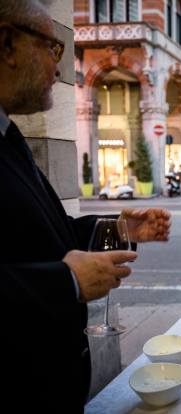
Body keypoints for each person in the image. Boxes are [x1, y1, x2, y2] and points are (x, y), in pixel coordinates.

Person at [0, 1, 172, 411]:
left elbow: (42, 234)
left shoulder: (9, 133)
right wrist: (66, 282)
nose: (59, 70)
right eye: (52, 48)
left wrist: (120, 229)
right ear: (7, 43)